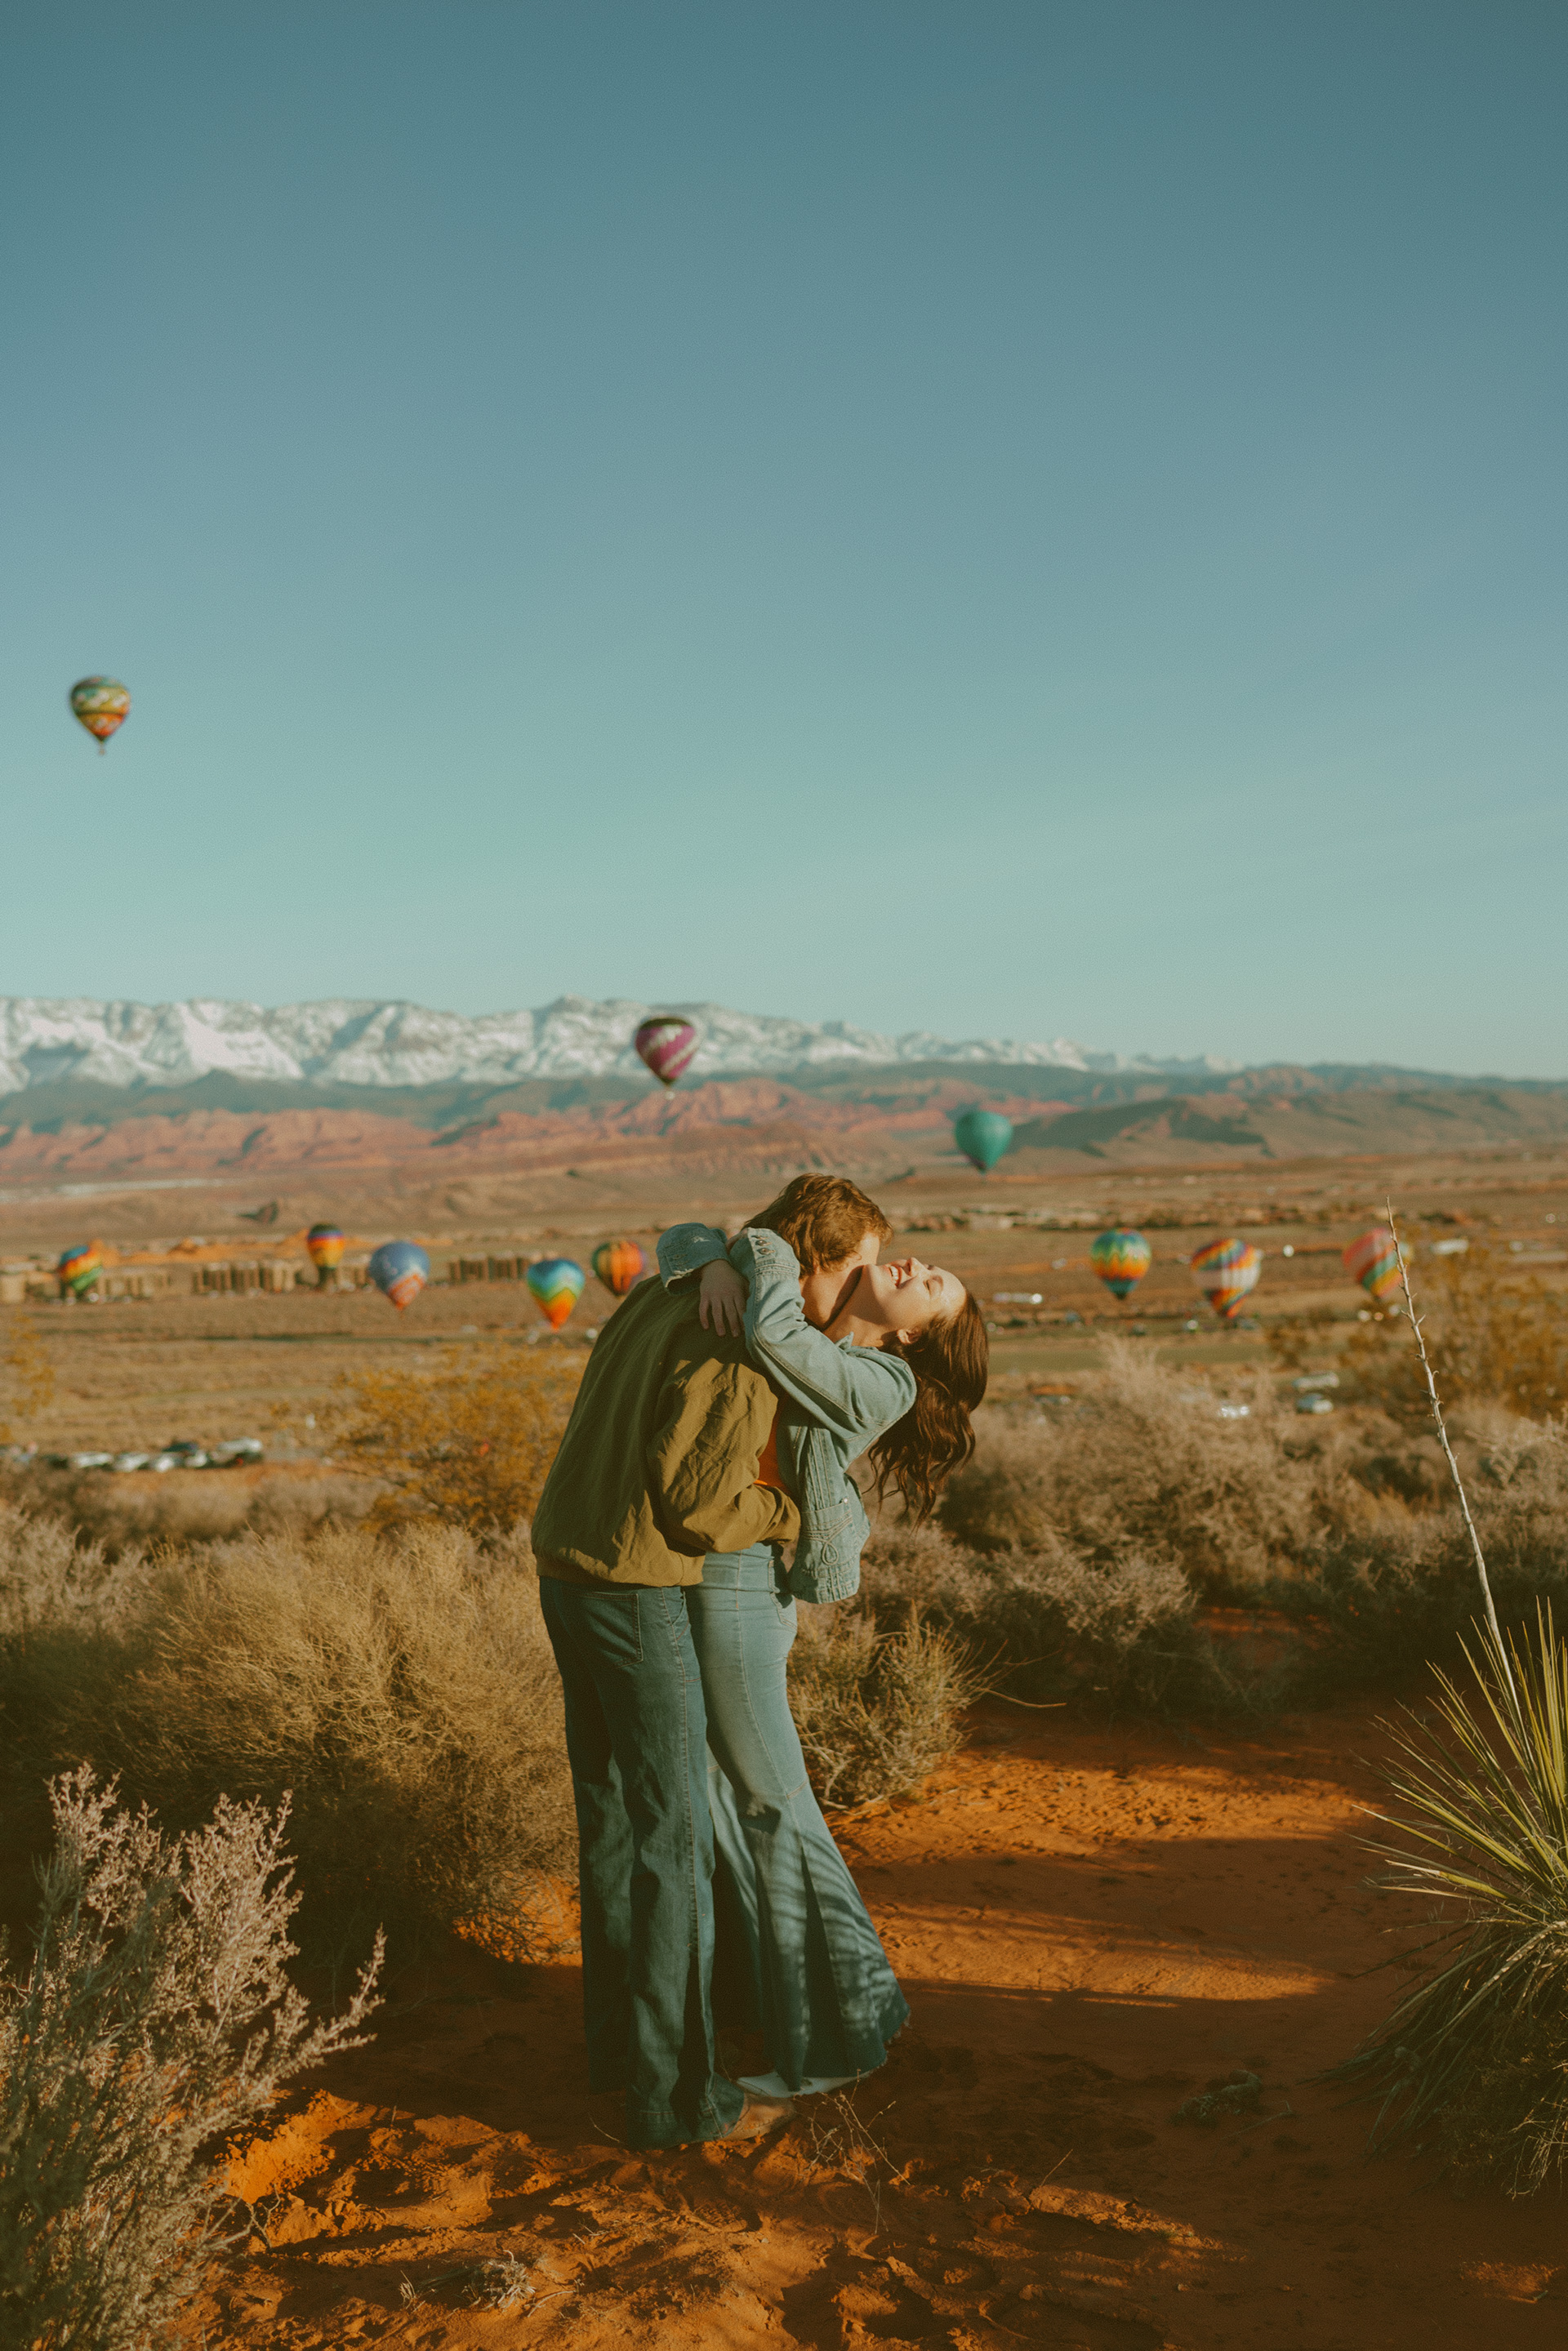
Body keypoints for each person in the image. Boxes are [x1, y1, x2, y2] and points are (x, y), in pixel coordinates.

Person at [656, 1178, 987, 2100]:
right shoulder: (813, 1322)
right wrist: (714, 1252)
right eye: (916, 1262)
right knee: (720, 1796)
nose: (913, 1266)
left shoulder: (878, 1376)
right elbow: (682, 1226)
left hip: (742, 1582)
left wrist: (746, 1252)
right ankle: (778, 1997)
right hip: (701, 1561)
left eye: (930, 1284)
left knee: (771, 1800)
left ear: (915, 1332)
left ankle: (843, 2033)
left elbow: (771, 1333)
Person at [530, 1256, 802, 2150]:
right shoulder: (740, 1335)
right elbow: (699, 1510)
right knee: (674, 1837)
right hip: (638, 1587)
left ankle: (616, 2051)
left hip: (569, 1565)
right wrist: (786, 1514)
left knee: (610, 1819)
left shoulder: (667, 1285)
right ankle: (677, 2092)